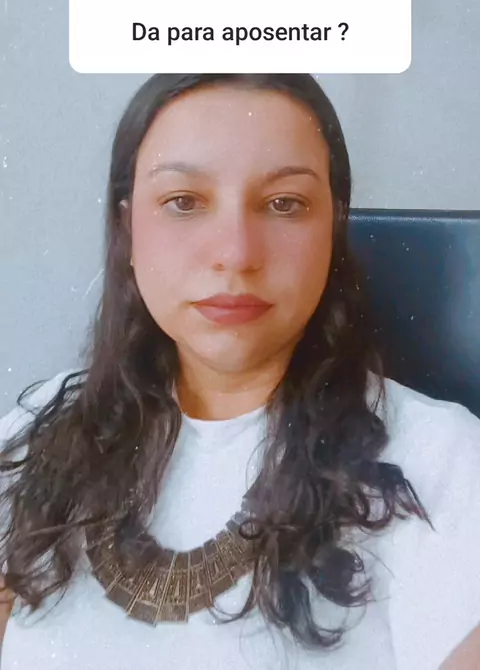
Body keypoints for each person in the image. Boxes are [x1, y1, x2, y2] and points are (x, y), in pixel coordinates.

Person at [0, 73, 479, 670]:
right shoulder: (36, 432)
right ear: (128, 228)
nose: (235, 252)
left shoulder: (441, 463)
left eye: (284, 204)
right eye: (184, 202)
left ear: (333, 226)